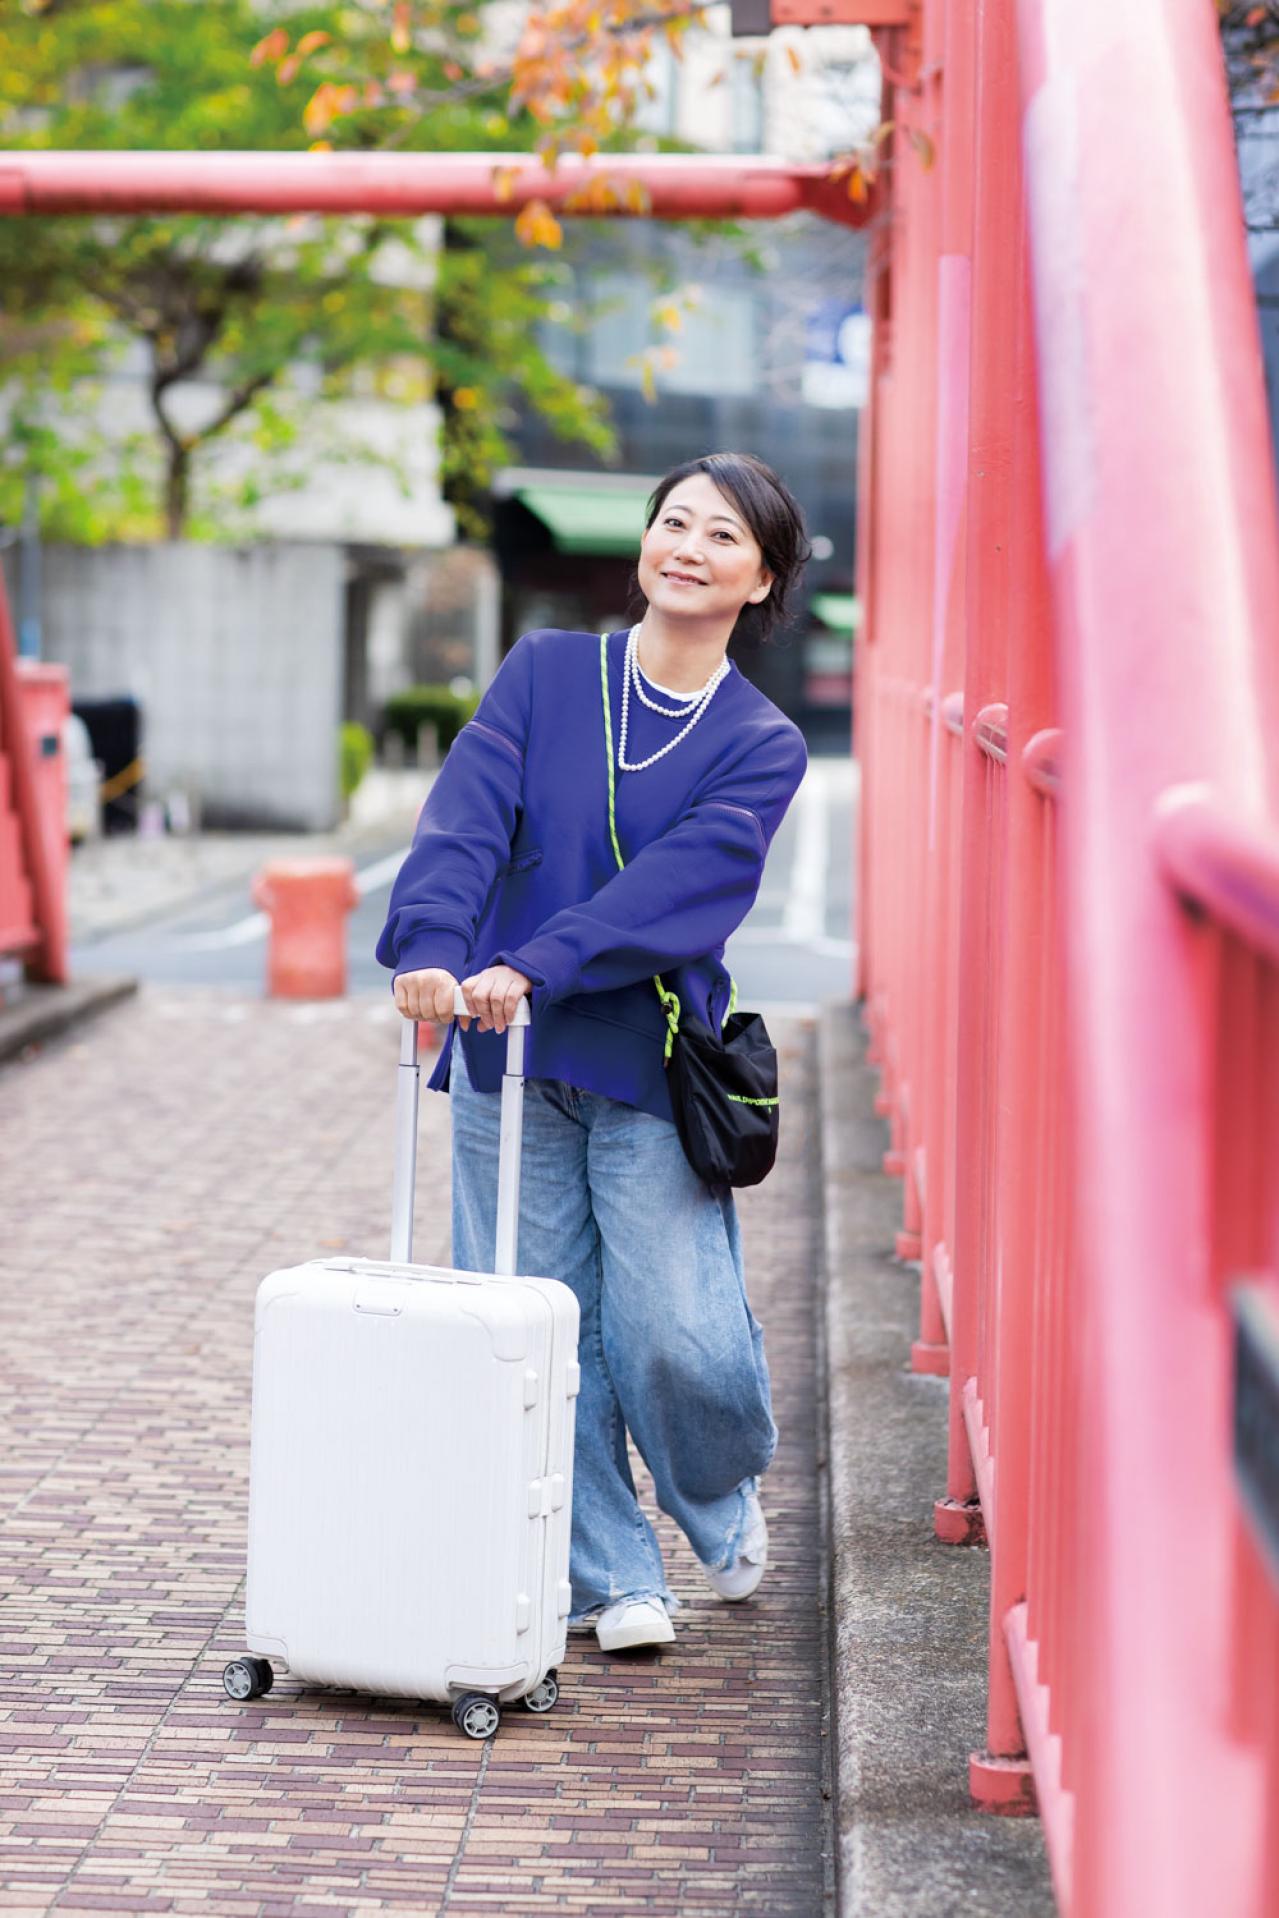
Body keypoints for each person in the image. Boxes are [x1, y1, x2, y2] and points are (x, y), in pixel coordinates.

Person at [376, 451, 810, 1651]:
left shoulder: (760, 741)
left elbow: (684, 887)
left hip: (646, 1056)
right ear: (644, 541)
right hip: (501, 1047)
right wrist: (434, 945)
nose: (687, 547)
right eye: (674, 521)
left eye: (721, 535)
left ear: (761, 578)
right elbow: (466, 819)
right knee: (534, 1318)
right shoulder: (547, 672)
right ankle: (610, 1575)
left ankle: (713, 1484)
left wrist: (538, 959)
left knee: (676, 1332)